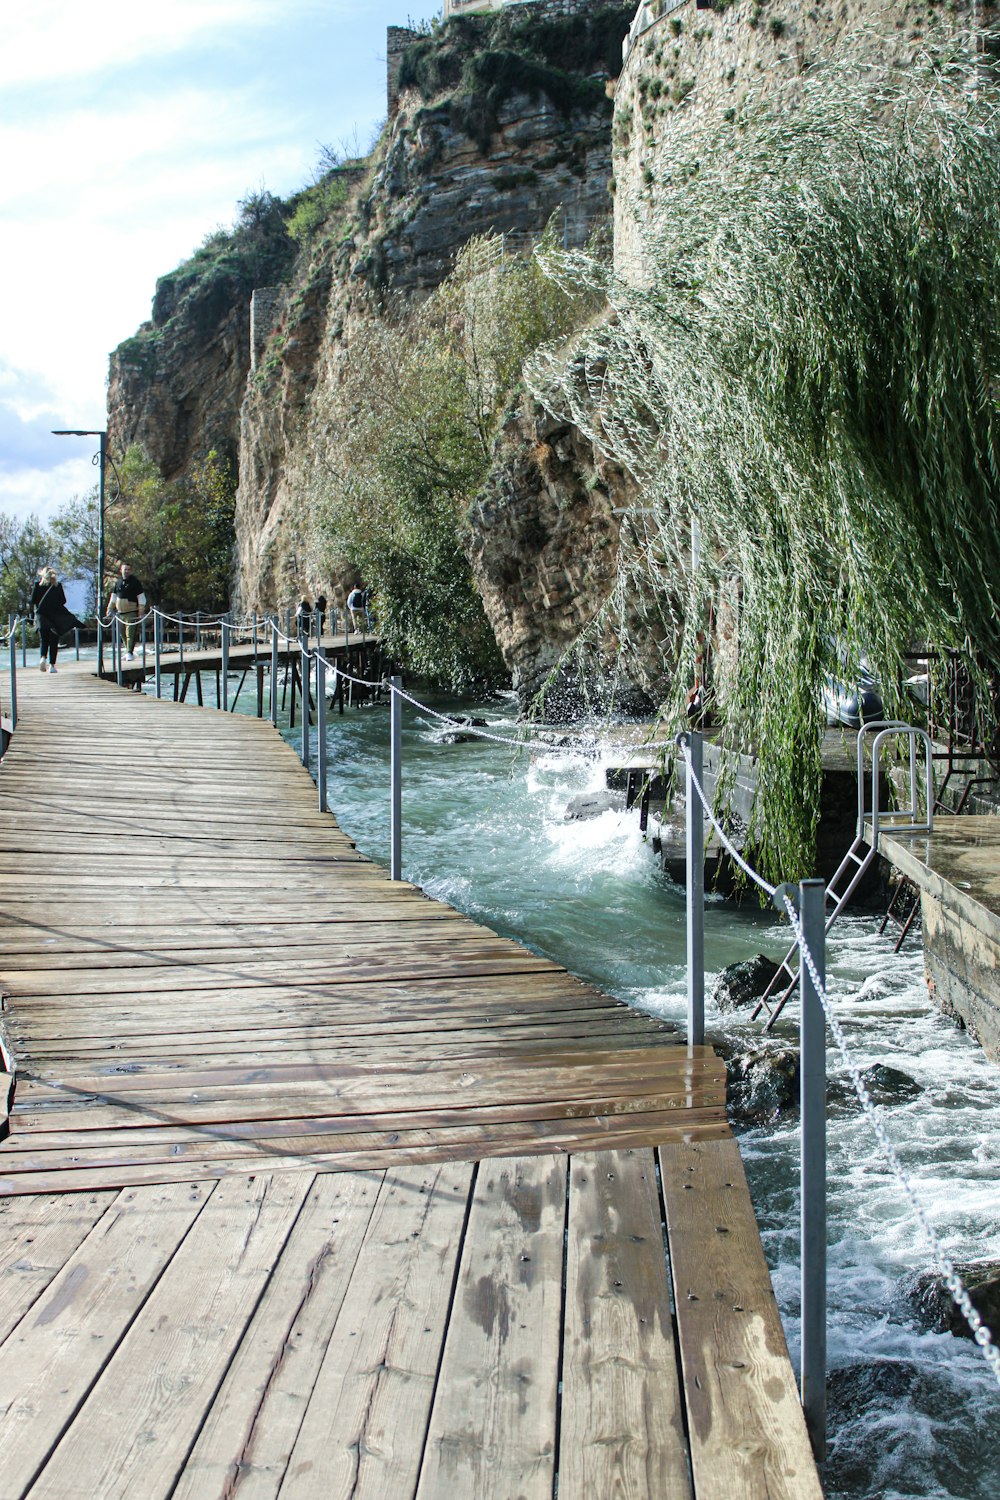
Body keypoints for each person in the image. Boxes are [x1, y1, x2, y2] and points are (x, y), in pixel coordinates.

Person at [107, 562, 147, 660]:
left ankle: (129, 652)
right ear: (121, 570)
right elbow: (113, 597)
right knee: (122, 634)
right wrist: (109, 608)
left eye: (129, 569)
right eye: (125, 569)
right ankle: (127, 650)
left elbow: (141, 598)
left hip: (131, 612)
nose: (127, 571)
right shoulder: (118, 583)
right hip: (120, 613)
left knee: (130, 633)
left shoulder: (135, 582)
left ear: (131, 571)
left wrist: (141, 611)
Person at [31, 567, 67, 674]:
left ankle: (43, 657)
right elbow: (63, 601)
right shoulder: (57, 586)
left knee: (44, 639)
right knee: (54, 641)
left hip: (42, 617)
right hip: (54, 617)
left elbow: (33, 600)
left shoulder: (37, 585)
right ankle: (52, 665)